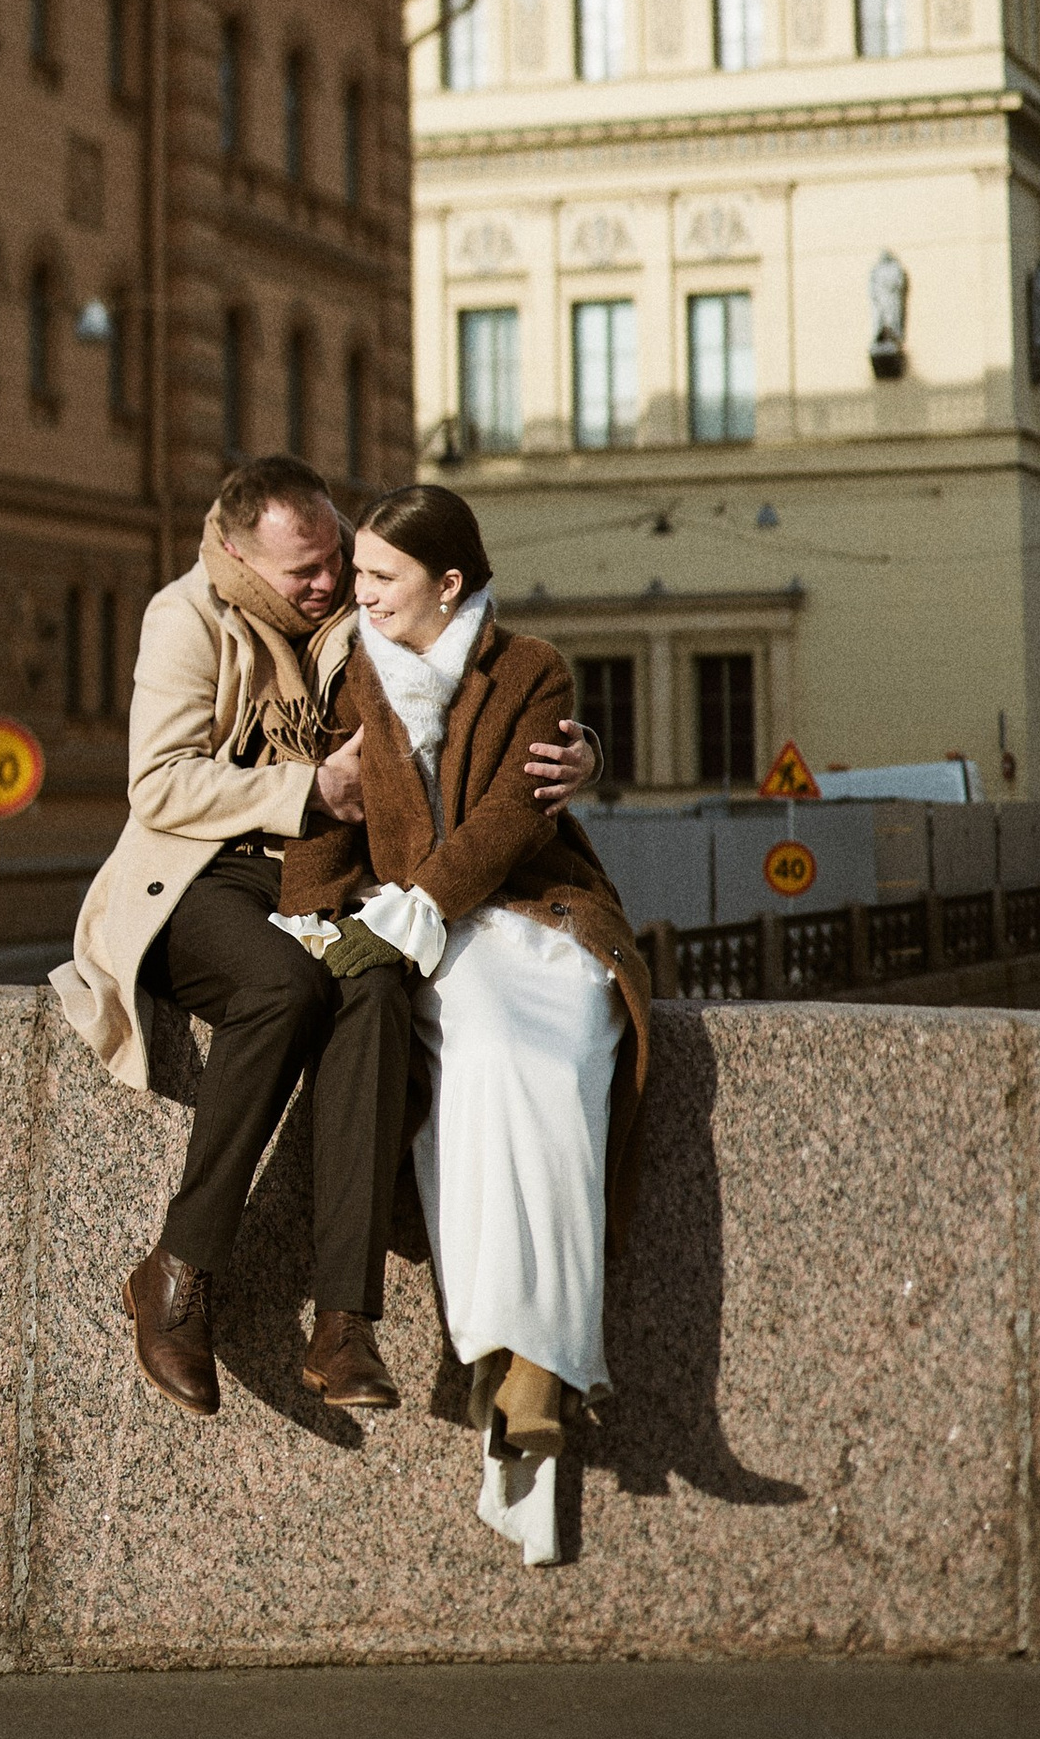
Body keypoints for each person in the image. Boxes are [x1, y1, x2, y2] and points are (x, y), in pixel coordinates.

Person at [53, 454, 599, 1422]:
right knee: (282, 988)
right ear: (233, 554)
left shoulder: (357, 612)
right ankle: (177, 1275)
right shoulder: (186, 620)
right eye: (301, 570)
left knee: (375, 993)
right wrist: (307, 788)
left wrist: (580, 746)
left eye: (335, 557)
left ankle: (345, 1319)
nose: (327, 582)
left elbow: (475, 674)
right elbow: (159, 786)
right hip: (198, 875)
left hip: (328, 877)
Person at [275, 479, 649, 1565]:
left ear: (448, 584)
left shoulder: (529, 668)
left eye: (380, 579)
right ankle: (514, 1360)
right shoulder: (354, 671)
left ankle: (528, 1368)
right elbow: (330, 810)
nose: (358, 595)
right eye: (354, 577)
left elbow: (509, 820)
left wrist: (416, 907)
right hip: (422, 941)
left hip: (524, 915)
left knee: (569, 1051)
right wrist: (310, 920)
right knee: (481, 1064)